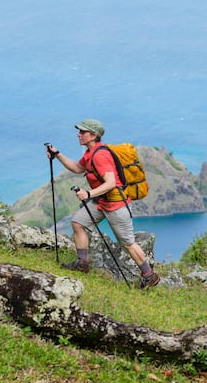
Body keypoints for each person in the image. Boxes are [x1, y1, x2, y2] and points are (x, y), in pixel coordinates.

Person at [46, 118, 160, 289]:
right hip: (101, 201)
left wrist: (88, 193)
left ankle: (149, 276)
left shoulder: (100, 155)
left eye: (83, 132)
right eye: (80, 132)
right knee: (78, 223)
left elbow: (111, 182)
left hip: (116, 205)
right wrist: (58, 154)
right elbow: (78, 168)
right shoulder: (90, 152)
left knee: (128, 243)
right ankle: (82, 263)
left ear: (93, 135)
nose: (79, 135)